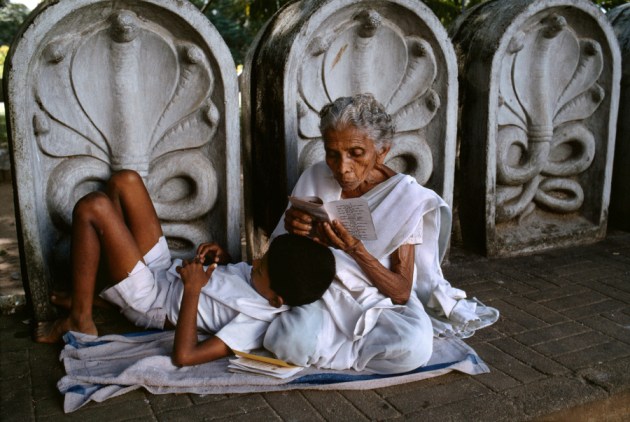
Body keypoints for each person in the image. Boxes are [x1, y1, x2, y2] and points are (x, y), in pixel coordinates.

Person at [263, 93, 498, 374]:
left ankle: (329, 350)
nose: (342, 168)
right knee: (289, 342)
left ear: (382, 151)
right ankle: (337, 349)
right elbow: (278, 258)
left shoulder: (406, 198)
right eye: (332, 153)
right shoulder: (315, 176)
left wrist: (357, 251)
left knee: (414, 345)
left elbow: (400, 293)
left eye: (356, 154)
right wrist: (292, 228)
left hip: (377, 301)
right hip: (320, 290)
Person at [35, 170, 336, 367]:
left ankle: (80, 317)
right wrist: (226, 258)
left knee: (93, 206)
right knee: (124, 181)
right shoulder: (270, 281)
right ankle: (102, 291)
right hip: (165, 271)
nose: (254, 263)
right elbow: (239, 280)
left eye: (259, 269)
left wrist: (192, 290)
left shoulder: (255, 324)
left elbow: (185, 356)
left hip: (150, 300)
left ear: (275, 301)